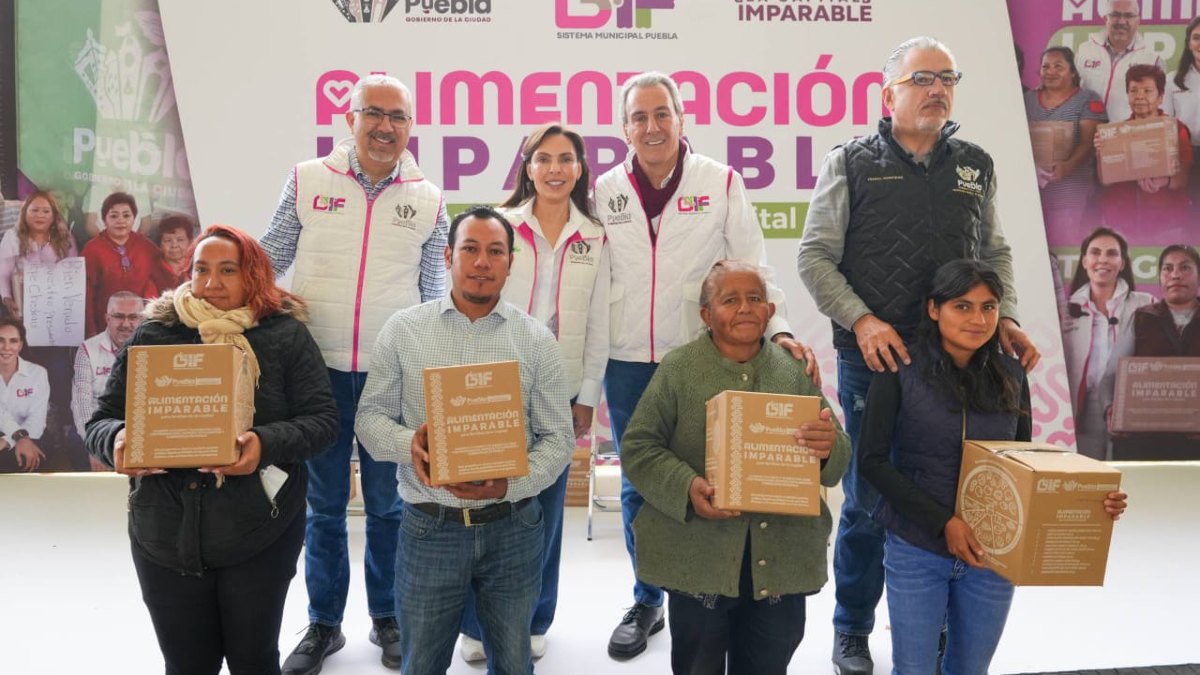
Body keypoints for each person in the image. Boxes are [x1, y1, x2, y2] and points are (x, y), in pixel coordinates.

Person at [796, 36, 1039, 675]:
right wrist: (864, 320)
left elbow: (996, 251)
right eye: (922, 78)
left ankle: (934, 627)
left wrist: (1005, 313)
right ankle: (851, 627)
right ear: (889, 95)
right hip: (874, 358)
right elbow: (813, 257)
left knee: (960, 493)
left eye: (947, 78)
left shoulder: (975, 165)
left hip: (961, 360)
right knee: (869, 498)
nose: (937, 89)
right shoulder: (849, 163)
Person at [592, 70, 814, 660]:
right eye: (639, 117)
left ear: (681, 120)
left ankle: (706, 585)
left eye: (661, 113)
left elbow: (754, 265)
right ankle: (649, 598)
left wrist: (781, 329)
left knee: (711, 475)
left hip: (702, 357)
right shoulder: (605, 189)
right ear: (623, 128)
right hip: (627, 356)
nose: (651, 126)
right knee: (644, 480)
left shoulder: (721, 181)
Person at [82, 224, 339, 674]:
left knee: (254, 661)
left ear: (253, 276)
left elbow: (323, 423)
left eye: (227, 270)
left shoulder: (283, 336)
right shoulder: (155, 333)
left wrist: (263, 444)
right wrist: (117, 439)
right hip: (163, 534)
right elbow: (101, 418)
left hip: (259, 532)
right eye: (201, 270)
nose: (211, 283)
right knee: (185, 664)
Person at [260, 73, 449, 674]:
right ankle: (323, 624)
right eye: (374, 113)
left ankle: (387, 617)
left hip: (389, 379)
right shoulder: (307, 180)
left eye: (398, 116)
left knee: (391, 508)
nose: (385, 126)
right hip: (316, 375)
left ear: (410, 128)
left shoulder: (430, 197)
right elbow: (270, 259)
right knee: (322, 507)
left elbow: (434, 290)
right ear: (350, 119)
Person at [857, 259, 1129, 674]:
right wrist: (943, 521)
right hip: (917, 547)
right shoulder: (898, 369)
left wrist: (1092, 503)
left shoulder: (1011, 372)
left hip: (993, 553)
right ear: (934, 309)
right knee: (913, 669)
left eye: (988, 307)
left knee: (971, 670)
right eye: (962, 306)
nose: (978, 319)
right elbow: (872, 462)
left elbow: (1024, 465)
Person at [354, 206, 575, 675]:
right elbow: (370, 419)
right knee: (421, 664)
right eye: (470, 249)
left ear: (509, 263)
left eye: (495, 251)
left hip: (514, 527)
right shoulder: (404, 330)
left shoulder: (537, 341)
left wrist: (508, 486)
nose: (482, 262)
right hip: (429, 526)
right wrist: (408, 445)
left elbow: (558, 440)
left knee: (514, 662)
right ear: (448, 256)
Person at [620, 260, 850, 675]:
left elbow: (838, 458)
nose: (745, 308)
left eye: (755, 299)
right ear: (707, 316)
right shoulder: (679, 369)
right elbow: (638, 447)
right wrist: (686, 485)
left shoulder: (794, 370)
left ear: (769, 311)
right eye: (730, 300)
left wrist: (828, 447)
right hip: (698, 560)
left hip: (781, 563)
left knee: (770, 660)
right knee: (698, 661)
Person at [456, 124, 609, 664]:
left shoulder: (595, 234)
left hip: (561, 388)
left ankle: (536, 616)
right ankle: (476, 625)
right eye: (543, 159)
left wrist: (588, 392)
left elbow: (599, 323)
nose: (554, 169)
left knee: (544, 509)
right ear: (527, 167)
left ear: (580, 168)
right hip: (494, 386)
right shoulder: (501, 225)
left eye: (566, 159)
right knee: (489, 506)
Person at [1062, 227, 1154, 460]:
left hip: (1131, 407)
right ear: (1084, 261)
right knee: (1086, 477)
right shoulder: (1065, 310)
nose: (1102, 259)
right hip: (1080, 408)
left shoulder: (1147, 305)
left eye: (1112, 253)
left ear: (1122, 263)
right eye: (1095, 252)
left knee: (1127, 479)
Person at [1117, 244, 1200, 460]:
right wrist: (1112, 408)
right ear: (1160, 277)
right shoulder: (1141, 317)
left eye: (1185, 268)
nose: (1175, 275)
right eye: (1167, 268)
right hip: (1146, 440)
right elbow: (1113, 371)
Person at [1024, 46, 1107, 240]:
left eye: (1058, 66)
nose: (1051, 72)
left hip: (1070, 194)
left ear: (1072, 71)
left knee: (1063, 245)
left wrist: (1068, 166)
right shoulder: (1027, 100)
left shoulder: (1087, 99)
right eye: (1046, 67)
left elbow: (1088, 143)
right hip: (1032, 196)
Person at [1099, 64, 1193, 232]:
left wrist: (1165, 180)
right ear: (1127, 94)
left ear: (1161, 96)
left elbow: (1184, 178)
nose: (1140, 96)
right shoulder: (1115, 132)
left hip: (1166, 223)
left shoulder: (1177, 129)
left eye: (1148, 91)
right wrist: (1101, 151)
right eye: (1133, 90)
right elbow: (1104, 180)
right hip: (1121, 224)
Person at [81, 191, 175, 336]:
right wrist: (91, 332)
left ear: (134, 219)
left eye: (126, 215)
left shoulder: (146, 246)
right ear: (104, 219)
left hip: (140, 327)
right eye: (113, 216)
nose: (120, 221)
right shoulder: (92, 249)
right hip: (104, 327)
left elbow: (164, 283)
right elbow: (85, 296)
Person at [70, 291, 144, 471]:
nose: (126, 324)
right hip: (101, 424)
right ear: (107, 318)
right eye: (119, 316)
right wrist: (96, 444)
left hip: (139, 427)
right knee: (74, 440)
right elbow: (81, 404)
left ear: (142, 319)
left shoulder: (152, 347)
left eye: (133, 317)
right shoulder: (88, 348)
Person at [1075, 0, 1163, 122]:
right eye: (1115, 15)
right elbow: (1070, 92)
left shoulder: (1152, 59)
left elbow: (1158, 108)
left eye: (1128, 16)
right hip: (1086, 133)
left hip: (1126, 135)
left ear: (1138, 20)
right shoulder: (1084, 50)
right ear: (1105, 18)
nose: (1121, 21)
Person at [0, 190, 79, 320]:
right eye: (34, 210)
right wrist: (7, 298)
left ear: (54, 215)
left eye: (46, 211)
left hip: (58, 308)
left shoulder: (66, 238)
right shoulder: (12, 237)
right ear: (25, 212)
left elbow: (73, 271)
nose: (40, 215)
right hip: (22, 307)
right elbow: (3, 273)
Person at [0, 318, 49, 473]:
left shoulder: (38, 374)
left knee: (31, 458)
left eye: (13, 341)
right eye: (0, 340)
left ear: (20, 345)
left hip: (29, 435)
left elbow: (37, 420)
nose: (6, 347)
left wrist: (12, 440)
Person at [157, 212, 197, 286]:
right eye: (168, 240)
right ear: (160, 245)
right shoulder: (155, 274)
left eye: (180, 240)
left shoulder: (197, 267)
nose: (174, 245)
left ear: (191, 243)